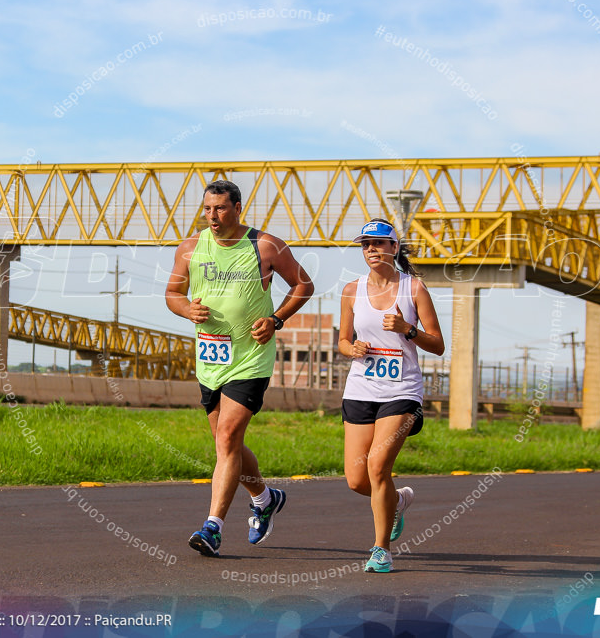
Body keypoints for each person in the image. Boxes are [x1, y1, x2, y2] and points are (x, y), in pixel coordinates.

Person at [165, 180, 313, 557]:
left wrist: (276, 319)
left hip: (251, 358)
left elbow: (302, 284)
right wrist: (187, 310)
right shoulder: (191, 248)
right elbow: (172, 294)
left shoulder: (264, 245)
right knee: (224, 442)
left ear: (237, 208)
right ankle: (264, 498)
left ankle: (212, 527)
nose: (212, 216)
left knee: (228, 437)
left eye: (220, 208)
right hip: (210, 359)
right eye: (207, 209)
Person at [337, 218, 444, 572]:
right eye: (366, 244)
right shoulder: (352, 290)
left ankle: (380, 550)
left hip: (402, 391)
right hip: (361, 388)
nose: (371, 250)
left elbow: (438, 345)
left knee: (378, 466)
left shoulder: (413, 289)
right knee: (356, 480)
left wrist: (407, 329)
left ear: (394, 248)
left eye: (379, 244)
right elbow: (342, 340)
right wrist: (351, 349)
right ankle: (396, 501)